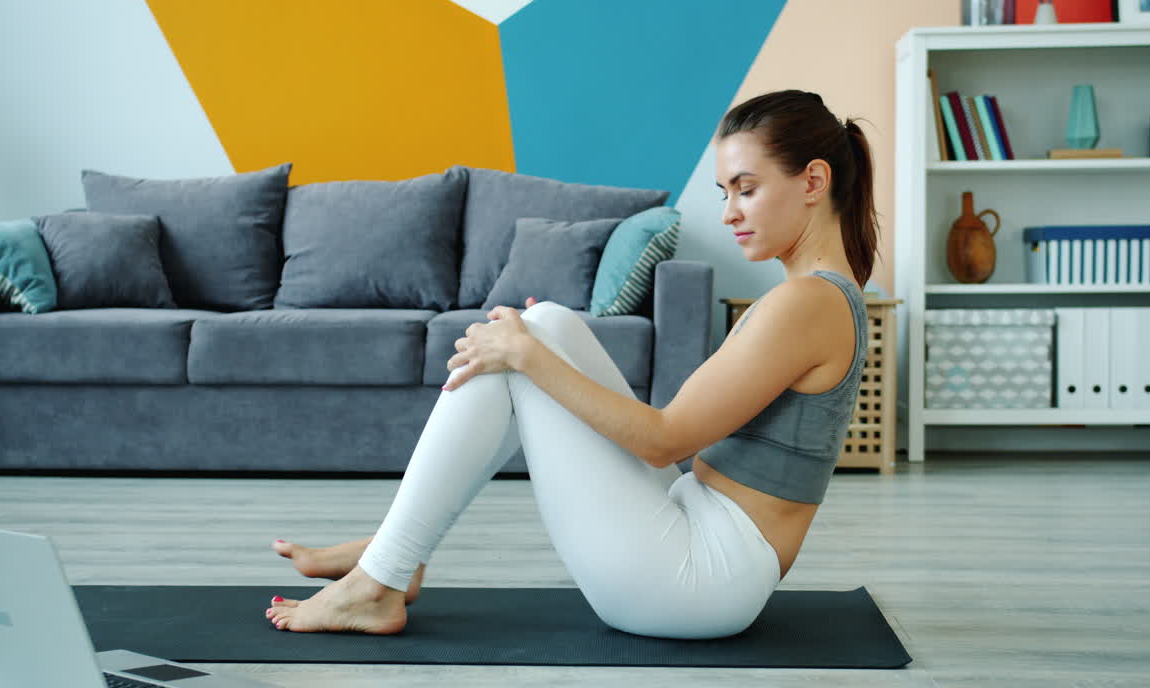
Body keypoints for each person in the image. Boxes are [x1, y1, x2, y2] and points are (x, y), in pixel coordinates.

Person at [265, 89, 879, 639]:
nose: (729, 213)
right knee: (547, 322)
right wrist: (538, 349)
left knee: (522, 347)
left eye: (747, 189)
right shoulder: (816, 296)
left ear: (813, 181)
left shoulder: (807, 303)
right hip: (701, 537)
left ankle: (385, 571)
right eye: (726, 193)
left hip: (698, 583)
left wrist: (532, 361)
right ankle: (399, 551)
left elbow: (663, 441)